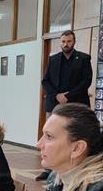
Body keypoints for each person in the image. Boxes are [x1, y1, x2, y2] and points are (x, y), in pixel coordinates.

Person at [38, 30, 92, 181]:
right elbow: (45, 80)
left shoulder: (83, 58)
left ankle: (76, 167)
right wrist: (57, 95)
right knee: (50, 134)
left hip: (76, 102)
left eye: (68, 41)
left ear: (73, 42)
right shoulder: (53, 59)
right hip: (54, 103)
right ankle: (47, 169)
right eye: (63, 41)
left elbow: (86, 81)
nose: (65, 44)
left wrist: (68, 96)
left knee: (76, 135)